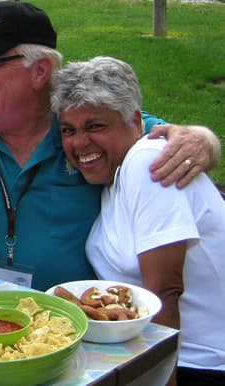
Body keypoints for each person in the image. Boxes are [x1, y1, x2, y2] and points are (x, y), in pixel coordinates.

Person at [0, 1, 221, 301]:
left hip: (83, 323)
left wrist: (203, 140)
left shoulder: (85, 127)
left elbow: (167, 137)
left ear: (40, 70)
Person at [51, 56, 225, 386]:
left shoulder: (147, 163)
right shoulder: (111, 181)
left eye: (95, 126)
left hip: (195, 363)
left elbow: (165, 290)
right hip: (138, 354)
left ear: (135, 120)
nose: (79, 143)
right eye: (68, 130)